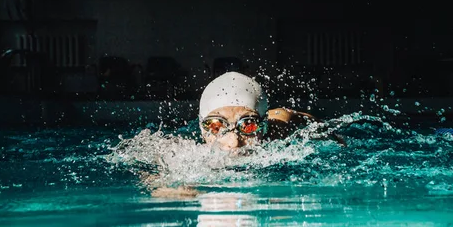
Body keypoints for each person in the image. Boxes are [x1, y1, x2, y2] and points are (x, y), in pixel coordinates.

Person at [146, 71, 344, 198]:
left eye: (247, 125)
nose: (233, 142)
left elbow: (299, 118)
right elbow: (150, 163)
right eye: (216, 125)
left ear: (263, 126)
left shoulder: (278, 130)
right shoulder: (184, 152)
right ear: (203, 129)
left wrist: (330, 135)